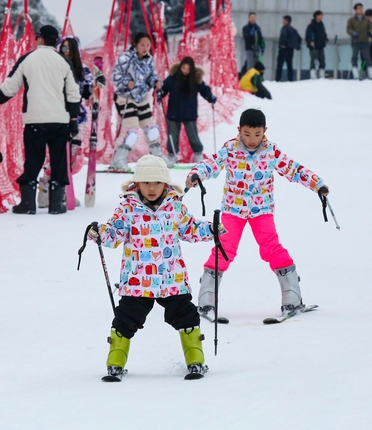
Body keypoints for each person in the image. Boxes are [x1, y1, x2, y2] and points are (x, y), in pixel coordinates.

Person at [186, 108, 329, 322]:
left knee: (271, 248)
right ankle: (207, 298)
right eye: (246, 134)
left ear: (265, 131)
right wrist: (196, 174)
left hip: (261, 210)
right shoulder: (231, 149)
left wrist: (317, 184)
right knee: (224, 248)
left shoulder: (271, 151)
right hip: (233, 210)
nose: (252, 140)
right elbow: (211, 164)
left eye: (257, 134)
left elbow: (293, 169)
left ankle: (292, 295)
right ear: (239, 131)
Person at [88, 154, 220, 380]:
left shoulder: (174, 207)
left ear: (165, 184)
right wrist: (100, 233)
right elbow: (115, 232)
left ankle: (195, 358)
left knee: (186, 316)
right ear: (137, 184)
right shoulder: (127, 208)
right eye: (146, 182)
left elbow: (190, 228)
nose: (151, 188)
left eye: (157, 183)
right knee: (125, 319)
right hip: (138, 281)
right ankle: (116, 360)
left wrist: (212, 229)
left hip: (171, 279)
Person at [0, 25, 81, 215]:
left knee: (33, 161)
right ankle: (56, 205)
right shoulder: (63, 62)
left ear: (41, 39)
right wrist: (74, 120)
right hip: (60, 121)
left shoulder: (28, 59)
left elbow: (10, 87)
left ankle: (27, 204)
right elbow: (73, 94)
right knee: (59, 161)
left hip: (34, 120)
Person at [37, 36, 92, 209]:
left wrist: (94, 86)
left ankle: (63, 189)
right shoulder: (54, 67)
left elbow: (87, 92)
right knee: (58, 155)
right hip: (57, 116)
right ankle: (45, 187)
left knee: (74, 158)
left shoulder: (83, 70)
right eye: (64, 48)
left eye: (70, 48)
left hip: (77, 118)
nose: (67, 51)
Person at [109, 32, 165, 170]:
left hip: (141, 97)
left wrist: (156, 81)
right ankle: (118, 159)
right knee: (131, 130)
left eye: (147, 45)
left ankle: (157, 156)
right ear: (135, 44)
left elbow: (151, 75)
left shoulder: (149, 59)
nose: (145, 48)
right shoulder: (126, 58)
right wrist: (126, 82)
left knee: (151, 128)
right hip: (125, 97)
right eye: (142, 45)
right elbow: (115, 75)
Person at [158, 56, 216, 165]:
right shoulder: (173, 78)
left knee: (192, 135)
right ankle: (172, 154)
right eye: (183, 68)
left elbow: (204, 90)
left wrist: (210, 97)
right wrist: (160, 94)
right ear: (180, 67)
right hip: (174, 111)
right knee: (173, 134)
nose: (185, 71)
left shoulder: (195, 79)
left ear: (192, 69)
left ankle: (198, 153)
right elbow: (164, 88)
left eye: (188, 69)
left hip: (189, 112)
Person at [347, 3, 372, 80]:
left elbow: (370, 28)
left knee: (367, 57)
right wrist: (353, 33)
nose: (360, 9)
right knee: (355, 57)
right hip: (356, 41)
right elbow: (348, 29)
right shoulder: (351, 20)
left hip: (365, 40)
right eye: (359, 8)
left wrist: (371, 32)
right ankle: (355, 73)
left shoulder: (367, 20)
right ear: (355, 10)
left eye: (361, 8)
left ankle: (371, 73)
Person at [275, 15, 301, 82]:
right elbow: (299, 38)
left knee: (280, 64)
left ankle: (278, 79)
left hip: (284, 49)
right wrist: (296, 46)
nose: (283, 22)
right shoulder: (293, 30)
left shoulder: (284, 28)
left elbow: (283, 36)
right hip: (291, 50)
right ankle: (290, 78)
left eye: (284, 20)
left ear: (287, 21)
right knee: (289, 65)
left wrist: (282, 44)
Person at [305, 10, 328, 79]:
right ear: (316, 16)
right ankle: (313, 74)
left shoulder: (322, 25)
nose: (322, 17)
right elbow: (308, 35)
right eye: (320, 15)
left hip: (321, 45)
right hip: (314, 46)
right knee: (314, 59)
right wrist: (310, 41)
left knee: (322, 60)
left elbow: (324, 34)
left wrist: (325, 39)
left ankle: (321, 74)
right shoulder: (311, 26)